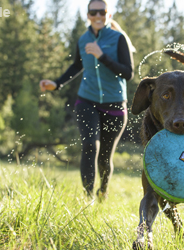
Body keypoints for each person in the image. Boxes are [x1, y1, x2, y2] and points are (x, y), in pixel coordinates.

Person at [39, 0, 134, 201]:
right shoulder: (83, 40)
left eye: (102, 12)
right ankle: (87, 197)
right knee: (90, 146)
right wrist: (57, 84)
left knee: (105, 156)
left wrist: (102, 56)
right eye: (93, 12)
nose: (98, 16)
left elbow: (128, 73)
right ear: (88, 15)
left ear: (108, 14)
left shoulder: (118, 39)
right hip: (87, 101)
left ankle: (103, 190)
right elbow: (76, 66)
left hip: (115, 104)